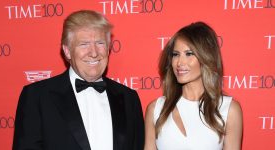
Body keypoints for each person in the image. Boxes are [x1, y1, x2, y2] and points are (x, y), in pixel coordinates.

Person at [13, 10, 144, 150]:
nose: (94, 53)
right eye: (84, 44)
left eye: (100, 43)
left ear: (108, 48)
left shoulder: (129, 98)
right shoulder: (37, 97)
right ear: (67, 51)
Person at [144, 22, 243, 150]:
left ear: (206, 57)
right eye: (176, 54)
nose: (179, 62)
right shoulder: (156, 109)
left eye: (189, 54)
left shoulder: (228, 109)